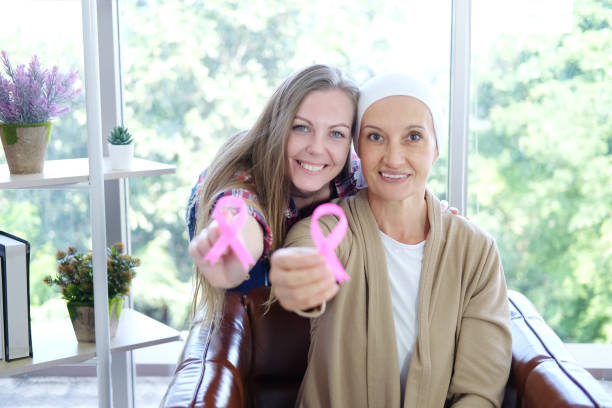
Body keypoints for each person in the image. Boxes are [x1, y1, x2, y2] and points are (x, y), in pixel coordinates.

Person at [270, 72, 512, 407]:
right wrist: (296, 273)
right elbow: (306, 251)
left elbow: (480, 392)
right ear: (358, 149)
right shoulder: (329, 226)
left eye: (413, 137)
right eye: (375, 137)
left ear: (436, 148)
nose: (394, 158)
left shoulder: (476, 252)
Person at [186, 64, 361, 326]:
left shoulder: (353, 176)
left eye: (336, 133)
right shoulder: (243, 176)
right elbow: (242, 215)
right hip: (234, 230)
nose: (316, 148)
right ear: (277, 125)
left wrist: (437, 213)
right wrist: (234, 250)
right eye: (301, 128)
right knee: (255, 310)